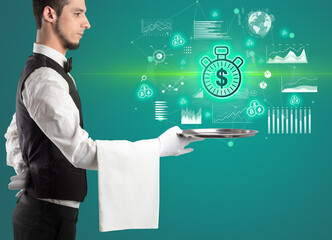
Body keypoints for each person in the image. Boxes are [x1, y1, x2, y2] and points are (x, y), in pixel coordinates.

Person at [4, 0, 203, 239]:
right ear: (50, 14)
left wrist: (25, 166)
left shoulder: (48, 71)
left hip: (45, 215)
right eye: (77, 13)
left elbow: (16, 129)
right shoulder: (46, 77)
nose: (86, 23)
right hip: (45, 220)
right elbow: (81, 152)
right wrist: (159, 147)